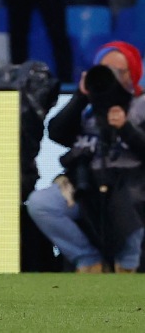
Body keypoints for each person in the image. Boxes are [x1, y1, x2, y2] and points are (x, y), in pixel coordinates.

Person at [26, 41, 145, 273]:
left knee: (131, 205)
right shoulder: (88, 104)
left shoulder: (140, 105)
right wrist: (81, 96)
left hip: (129, 184)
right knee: (41, 204)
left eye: (119, 72)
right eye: (105, 70)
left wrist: (126, 128)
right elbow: (57, 134)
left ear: (133, 74)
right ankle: (89, 260)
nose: (111, 77)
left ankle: (127, 268)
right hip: (86, 184)